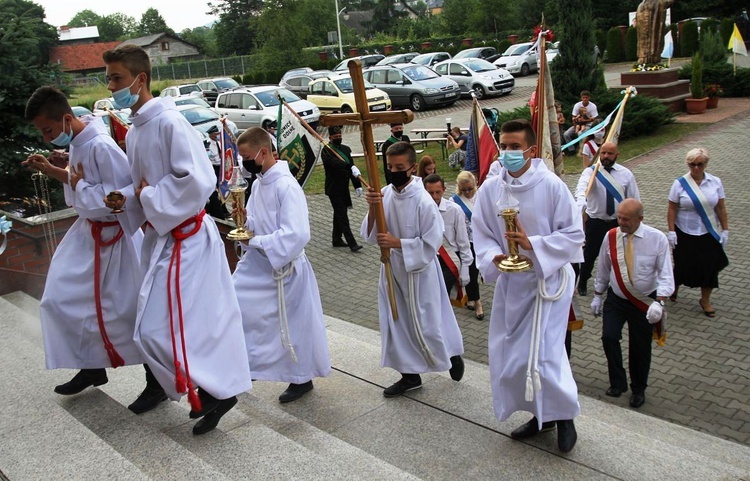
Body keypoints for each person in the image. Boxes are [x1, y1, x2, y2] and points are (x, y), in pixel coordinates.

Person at [102, 44, 252, 435]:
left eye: (116, 78)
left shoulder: (169, 123)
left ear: (141, 79)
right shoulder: (137, 129)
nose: (111, 86)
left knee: (160, 328)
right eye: (109, 78)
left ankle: (213, 390)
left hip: (186, 237)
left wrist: (148, 197)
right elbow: (144, 185)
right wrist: (130, 199)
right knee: (166, 326)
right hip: (163, 237)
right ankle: (208, 390)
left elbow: (198, 181)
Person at [22, 86, 150, 404]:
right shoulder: (79, 143)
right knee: (60, 299)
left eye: (48, 130)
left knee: (131, 312)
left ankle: (157, 382)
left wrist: (78, 183)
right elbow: (84, 183)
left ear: (67, 119)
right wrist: (55, 170)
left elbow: (122, 198)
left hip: (115, 239)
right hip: (87, 234)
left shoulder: (101, 145)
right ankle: (91, 365)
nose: (46, 138)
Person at [472, 119, 583, 453]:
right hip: (513, 283)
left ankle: (565, 419)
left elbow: (574, 235)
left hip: (548, 282)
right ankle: (541, 416)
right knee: (518, 357)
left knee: (546, 355)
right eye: (504, 146)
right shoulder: (491, 189)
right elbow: (481, 233)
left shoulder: (551, 186)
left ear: (532, 151)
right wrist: (493, 256)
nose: (507, 153)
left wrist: (531, 243)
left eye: (515, 147)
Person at [233, 127, 332, 403]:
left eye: (247, 156)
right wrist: (244, 224)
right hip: (260, 267)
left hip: (286, 270)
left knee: (294, 327)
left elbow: (297, 234)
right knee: (238, 307)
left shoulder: (287, 186)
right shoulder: (259, 183)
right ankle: (250, 362)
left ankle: (301, 378)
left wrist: (256, 241)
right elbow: (255, 222)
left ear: (263, 153)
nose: (244, 162)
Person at [361, 141, 465, 397]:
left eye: (399, 167)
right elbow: (370, 233)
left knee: (428, 323)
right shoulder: (384, 194)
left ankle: (450, 354)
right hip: (392, 269)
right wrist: (372, 207)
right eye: (389, 166)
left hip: (419, 274)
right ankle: (409, 375)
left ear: (412, 168)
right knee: (396, 324)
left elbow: (432, 242)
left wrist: (398, 243)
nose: (393, 171)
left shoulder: (423, 201)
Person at [591, 199, 673, 408]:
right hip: (616, 299)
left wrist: (660, 302)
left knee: (640, 347)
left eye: (626, 219)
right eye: (619, 217)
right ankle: (617, 383)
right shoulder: (611, 237)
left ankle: (638, 389)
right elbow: (603, 267)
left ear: (640, 219)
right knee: (609, 337)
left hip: (644, 301)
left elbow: (666, 274)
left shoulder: (657, 239)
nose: (621, 222)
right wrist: (598, 294)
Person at [667, 147, 729, 317]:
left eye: (699, 164)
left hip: (708, 232)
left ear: (705, 164)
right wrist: (671, 231)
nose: (696, 168)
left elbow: (721, 208)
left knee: (710, 267)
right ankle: (673, 287)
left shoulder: (715, 182)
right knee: (682, 264)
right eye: (692, 164)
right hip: (684, 231)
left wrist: (725, 230)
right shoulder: (679, 183)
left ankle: (705, 300)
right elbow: (672, 209)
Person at [574, 141, 640, 296]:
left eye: (610, 153)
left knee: (618, 253)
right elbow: (582, 187)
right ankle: (582, 281)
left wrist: (636, 219)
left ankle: (616, 283)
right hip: (596, 221)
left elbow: (634, 198)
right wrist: (580, 200)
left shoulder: (626, 174)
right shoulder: (591, 172)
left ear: (617, 155)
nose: (606, 156)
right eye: (603, 153)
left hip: (618, 223)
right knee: (590, 254)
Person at [423, 174, 473, 304]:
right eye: (430, 193)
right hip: (429, 258)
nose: (434, 197)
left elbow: (463, 241)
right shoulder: (420, 210)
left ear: (444, 190)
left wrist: (465, 267)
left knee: (440, 295)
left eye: (438, 192)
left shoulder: (455, 210)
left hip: (449, 259)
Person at [321, 126, 363, 252]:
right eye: (335, 137)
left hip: (344, 188)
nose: (338, 138)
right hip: (333, 188)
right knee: (342, 216)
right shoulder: (326, 151)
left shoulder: (345, 149)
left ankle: (336, 239)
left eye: (340, 136)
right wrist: (349, 165)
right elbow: (334, 164)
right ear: (330, 138)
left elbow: (352, 169)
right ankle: (352, 244)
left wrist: (357, 185)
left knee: (339, 214)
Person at [452, 171, 484, 320]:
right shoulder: (455, 201)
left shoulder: (482, 196)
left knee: (478, 270)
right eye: (464, 189)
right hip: (466, 242)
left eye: (470, 188)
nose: (468, 192)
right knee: (471, 271)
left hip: (483, 239)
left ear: (475, 184)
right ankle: (477, 302)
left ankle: (471, 296)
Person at [205, 125, 228, 219]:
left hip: (221, 168)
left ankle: (224, 209)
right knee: (215, 190)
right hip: (214, 168)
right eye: (215, 134)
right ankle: (219, 210)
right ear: (211, 134)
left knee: (222, 189)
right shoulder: (208, 145)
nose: (216, 136)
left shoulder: (219, 143)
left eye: (217, 134)